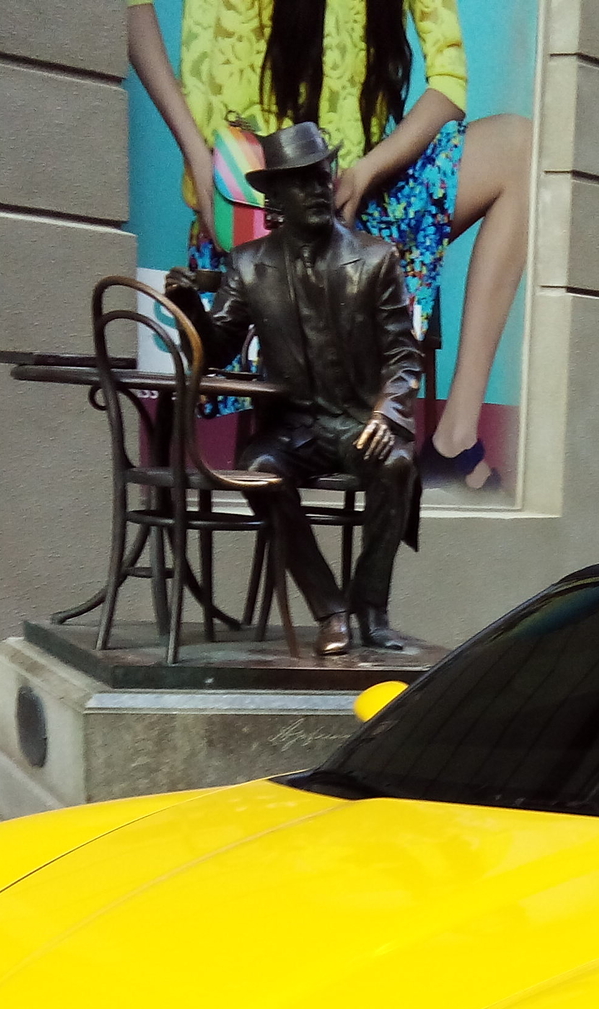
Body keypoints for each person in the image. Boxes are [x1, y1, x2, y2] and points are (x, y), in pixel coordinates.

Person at [126, 0, 529, 491]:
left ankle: (455, 441)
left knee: (522, 149)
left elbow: (449, 84)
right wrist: (196, 156)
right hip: (246, 219)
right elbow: (132, 9)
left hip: (358, 207)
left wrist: (368, 171)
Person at [168, 123, 421, 658]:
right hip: (291, 430)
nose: (315, 189)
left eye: (321, 176)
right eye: (300, 182)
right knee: (258, 472)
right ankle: (329, 610)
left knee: (396, 465)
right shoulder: (248, 264)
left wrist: (386, 413)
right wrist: (190, 310)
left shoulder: (376, 260)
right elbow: (216, 352)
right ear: (273, 195)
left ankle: (370, 610)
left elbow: (403, 354)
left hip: (356, 420)